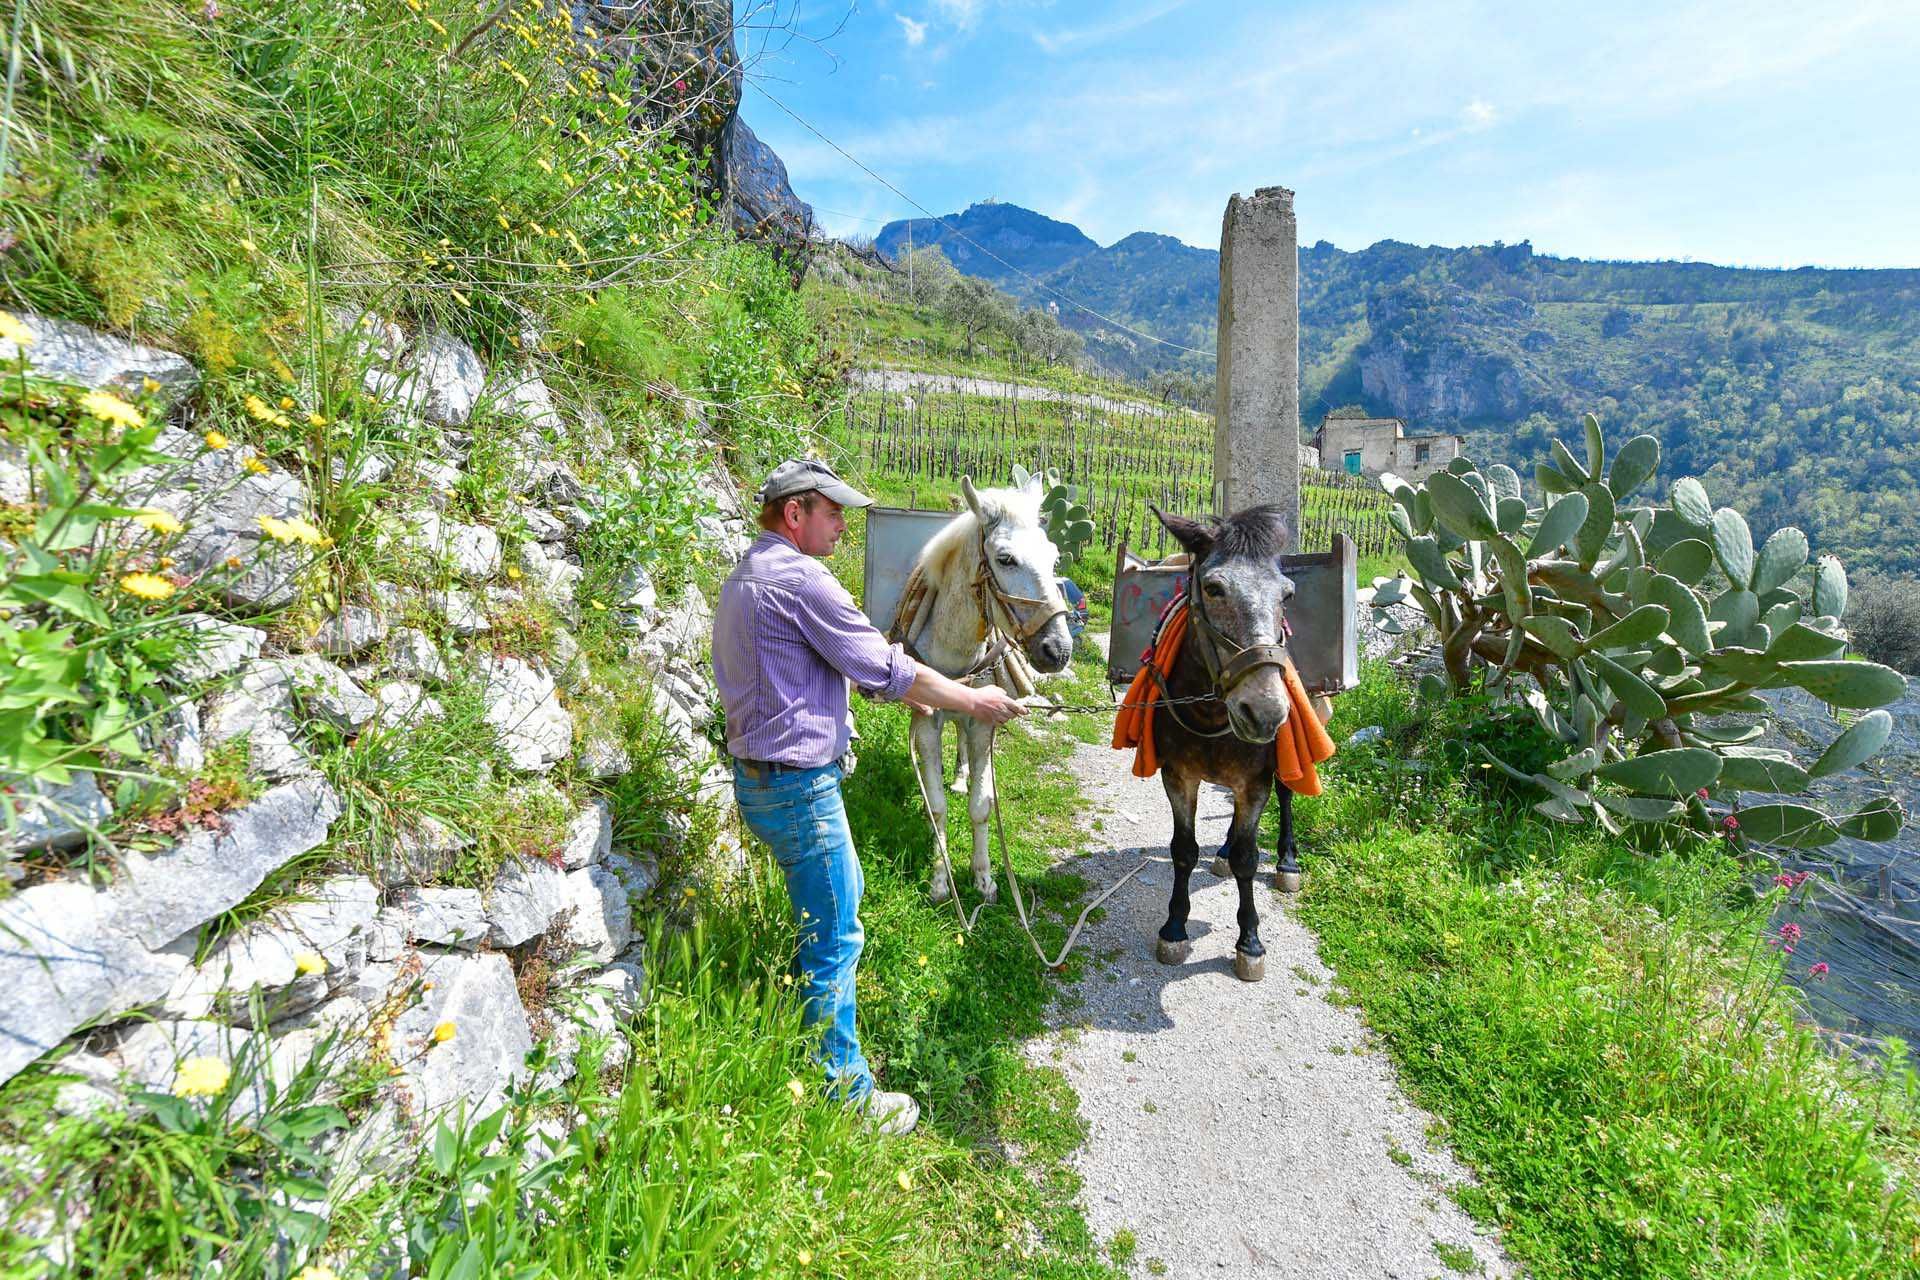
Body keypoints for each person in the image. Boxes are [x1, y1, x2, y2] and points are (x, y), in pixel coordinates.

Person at [711, 458, 1027, 1136]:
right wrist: (974, 697)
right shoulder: (801, 580)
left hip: (761, 779)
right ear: (795, 513)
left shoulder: (748, 574)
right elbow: (887, 668)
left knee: (827, 917)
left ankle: (802, 1032)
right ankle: (845, 1097)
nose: (843, 528)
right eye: (833, 513)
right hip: (799, 787)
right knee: (837, 934)